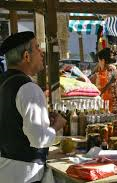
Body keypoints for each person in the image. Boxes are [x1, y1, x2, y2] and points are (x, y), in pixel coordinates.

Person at [0, 31, 66, 183]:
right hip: (24, 174)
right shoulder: (28, 88)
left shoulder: (3, 81)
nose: (42, 52)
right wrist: (56, 126)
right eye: (37, 48)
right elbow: (39, 139)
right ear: (26, 56)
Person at [90, 47, 117, 113]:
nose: (98, 64)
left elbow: (95, 92)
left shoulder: (100, 75)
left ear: (103, 61)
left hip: (109, 112)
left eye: (99, 61)